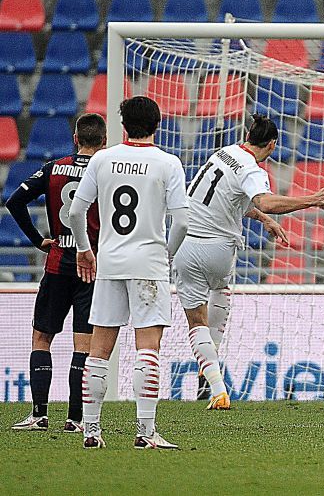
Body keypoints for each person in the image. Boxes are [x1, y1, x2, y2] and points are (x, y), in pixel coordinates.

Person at [174, 114, 324, 409]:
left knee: (196, 322)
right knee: (220, 292)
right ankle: (212, 380)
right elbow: (264, 201)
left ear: (248, 135)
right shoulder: (252, 170)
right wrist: (312, 199)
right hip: (219, 251)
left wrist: (262, 218)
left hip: (188, 246)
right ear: (273, 144)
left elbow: (222, 199)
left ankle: (213, 386)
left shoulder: (223, 154)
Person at [68, 96, 189, 449]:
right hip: (148, 264)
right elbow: (181, 220)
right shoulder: (168, 163)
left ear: (123, 126)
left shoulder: (102, 159)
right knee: (147, 349)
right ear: (157, 124)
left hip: (109, 263)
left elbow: (76, 213)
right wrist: (166, 254)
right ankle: (145, 432)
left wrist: (84, 249)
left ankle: (91, 431)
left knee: (99, 351)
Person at [7, 113, 106, 432]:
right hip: (91, 265)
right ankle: (75, 419)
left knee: (42, 337)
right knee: (84, 345)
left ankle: (39, 414)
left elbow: (15, 201)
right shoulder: (105, 172)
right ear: (103, 142)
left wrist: (38, 240)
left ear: (76, 139)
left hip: (57, 261)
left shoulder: (53, 169)